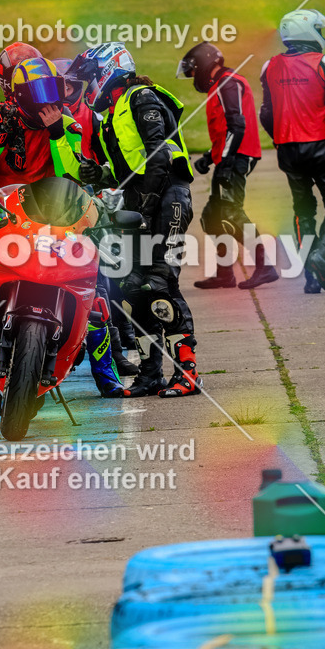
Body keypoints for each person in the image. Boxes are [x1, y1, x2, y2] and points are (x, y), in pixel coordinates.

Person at [0, 55, 124, 405]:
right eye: (37, 91)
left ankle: (106, 374)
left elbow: (71, 173)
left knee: (94, 290)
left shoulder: (68, 123)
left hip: (56, 215)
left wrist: (56, 132)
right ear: (16, 91)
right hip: (0, 215)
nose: (47, 101)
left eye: (50, 89)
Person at [72, 43, 202, 398]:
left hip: (168, 199)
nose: (88, 88)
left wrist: (145, 206)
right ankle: (150, 373)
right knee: (130, 287)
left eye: (91, 78)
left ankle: (187, 371)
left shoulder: (141, 97)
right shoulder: (112, 115)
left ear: (109, 70)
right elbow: (123, 172)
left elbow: (160, 154)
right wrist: (97, 173)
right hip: (138, 206)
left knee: (159, 283)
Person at [54, 56, 138, 379]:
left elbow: (111, 166)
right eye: (60, 87)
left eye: (71, 86)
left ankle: (114, 355)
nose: (66, 93)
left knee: (103, 280)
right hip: (50, 206)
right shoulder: (43, 119)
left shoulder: (95, 120)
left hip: (87, 206)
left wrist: (104, 191)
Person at [260, 9, 325, 293]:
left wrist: (279, 141)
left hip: (287, 150)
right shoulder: (324, 63)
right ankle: (321, 255)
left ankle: (310, 278)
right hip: (320, 143)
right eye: (318, 29)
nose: (322, 34)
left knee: (303, 211)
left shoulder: (269, 66)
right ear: (308, 32)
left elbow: (266, 113)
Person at [178, 42, 278, 290]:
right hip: (229, 157)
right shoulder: (220, 85)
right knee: (213, 217)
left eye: (193, 72)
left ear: (203, 66)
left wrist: (225, 160)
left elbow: (237, 125)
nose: (193, 78)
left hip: (237, 158)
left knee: (231, 213)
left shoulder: (226, 83)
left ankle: (265, 267)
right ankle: (224, 274)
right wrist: (209, 158)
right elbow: (225, 131)